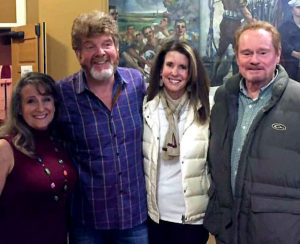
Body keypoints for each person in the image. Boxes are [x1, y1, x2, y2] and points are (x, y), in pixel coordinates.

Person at [56, 11, 148, 244]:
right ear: (78, 53)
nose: (100, 53)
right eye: (89, 46)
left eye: (107, 44)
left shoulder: (136, 84)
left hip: (134, 218)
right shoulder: (62, 95)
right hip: (87, 222)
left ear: (116, 47)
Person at [204, 21, 300, 244]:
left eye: (262, 52)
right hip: (229, 232)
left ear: (277, 55)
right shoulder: (223, 98)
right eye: (246, 53)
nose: (254, 60)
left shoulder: (297, 101)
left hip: (280, 234)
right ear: (237, 57)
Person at [143, 39, 211, 244]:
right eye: (170, 65)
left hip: (192, 220)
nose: (175, 72)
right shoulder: (147, 107)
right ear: (160, 70)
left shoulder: (206, 109)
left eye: (183, 67)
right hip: (155, 217)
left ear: (191, 74)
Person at [0, 72, 77, 244]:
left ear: (55, 104)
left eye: (46, 99)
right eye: (31, 101)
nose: (40, 108)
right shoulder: (6, 148)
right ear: (19, 108)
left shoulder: (59, 144)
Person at [212, 0, 254, 86]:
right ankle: (236, 80)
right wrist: (254, 23)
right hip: (234, 26)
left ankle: (215, 78)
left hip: (226, 23)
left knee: (221, 52)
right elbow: (244, 11)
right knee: (237, 54)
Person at [278, 0, 300, 81]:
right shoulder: (284, 26)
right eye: (298, 7)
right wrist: (294, 53)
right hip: (291, 63)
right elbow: (280, 42)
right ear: (292, 10)